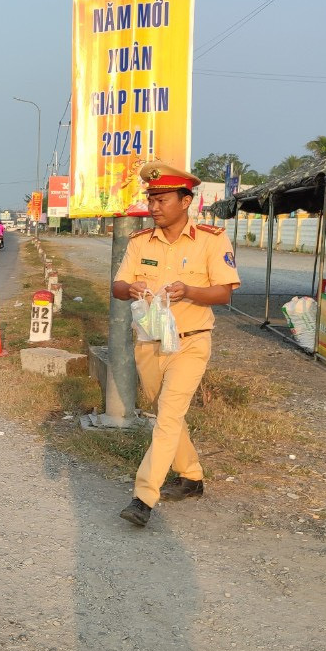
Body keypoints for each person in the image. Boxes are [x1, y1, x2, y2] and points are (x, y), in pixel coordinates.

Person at [111, 161, 241, 527]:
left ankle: (143, 497)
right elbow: (118, 287)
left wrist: (191, 291)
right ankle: (193, 477)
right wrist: (130, 288)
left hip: (191, 343)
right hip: (149, 342)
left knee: (167, 417)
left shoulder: (211, 240)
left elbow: (224, 293)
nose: (153, 207)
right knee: (167, 414)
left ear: (185, 201)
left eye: (161, 199)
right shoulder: (139, 242)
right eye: (150, 199)